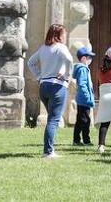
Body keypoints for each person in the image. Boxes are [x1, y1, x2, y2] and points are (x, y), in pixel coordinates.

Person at [26, 24, 73, 159]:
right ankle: (48, 151)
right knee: (53, 120)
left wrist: (39, 76)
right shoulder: (61, 47)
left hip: (43, 87)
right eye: (64, 34)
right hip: (57, 87)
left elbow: (30, 62)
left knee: (52, 119)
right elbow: (69, 60)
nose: (65, 37)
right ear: (58, 35)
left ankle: (49, 148)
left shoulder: (43, 48)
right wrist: (67, 76)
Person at [71, 46, 95, 146]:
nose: (91, 60)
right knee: (85, 120)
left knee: (80, 120)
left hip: (81, 98)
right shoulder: (83, 69)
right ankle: (86, 140)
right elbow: (82, 84)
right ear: (84, 58)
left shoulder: (83, 68)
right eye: (89, 57)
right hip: (84, 98)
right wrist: (87, 97)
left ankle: (76, 140)